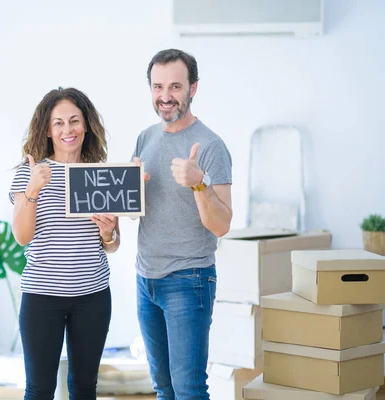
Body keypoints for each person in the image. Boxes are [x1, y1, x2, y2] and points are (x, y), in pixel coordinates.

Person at [131, 49, 233, 399]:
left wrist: (199, 183)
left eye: (175, 86)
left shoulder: (211, 147)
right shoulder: (145, 138)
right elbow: (137, 210)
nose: (165, 96)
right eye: (158, 86)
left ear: (193, 89)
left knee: (189, 390)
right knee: (163, 389)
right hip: (146, 279)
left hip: (188, 280)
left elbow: (221, 225)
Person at [9, 87, 120, 400]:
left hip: (93, 296)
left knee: (85, 388)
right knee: (40, 390)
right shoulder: (29, 173)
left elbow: (111, 245)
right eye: (58, 123)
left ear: (86, 125)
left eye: (74, 121)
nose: (67, 129)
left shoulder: (100, 174)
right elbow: (21, 237)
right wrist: (33, 189)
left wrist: (108, 232)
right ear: (47, 129)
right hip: (42, 297)